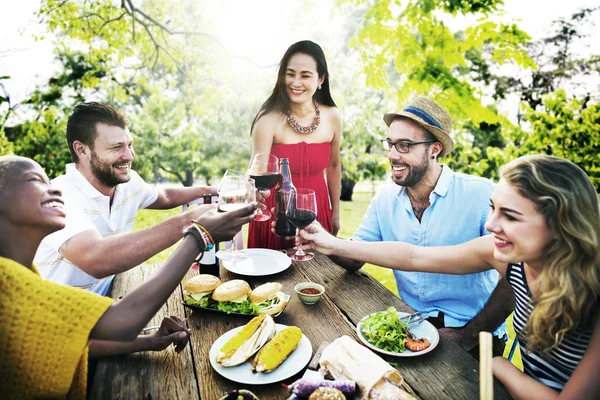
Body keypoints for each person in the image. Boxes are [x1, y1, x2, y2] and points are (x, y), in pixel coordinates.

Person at [299, 154, 600, 399]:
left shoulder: (593, 292)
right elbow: (414, 256)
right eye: (493, 209)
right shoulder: (513, 261)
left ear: (561, 225)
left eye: (510, 216)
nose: (492, 224)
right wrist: (330, 242)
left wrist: (498, 365)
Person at [0, 155, 256, 398]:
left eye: (48, 181)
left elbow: (70, 343)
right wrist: (199, 237)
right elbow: (124, 319)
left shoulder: (23, 277)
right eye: (35, 181)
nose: (54, 190)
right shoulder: (7, 285)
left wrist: (148, 341)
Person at [321, 96, 512, 354]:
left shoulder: (481, 196)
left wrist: (469, 335)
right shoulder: (384, 200)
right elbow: (354, 256)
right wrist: (321, 238)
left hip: (477, 333)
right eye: (390, 144)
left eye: (405, 146)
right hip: (414, 326)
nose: (391, 155)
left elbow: (516, 276)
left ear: (434, 149)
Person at [34, 102, 219, 296]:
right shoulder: (57, 195)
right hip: (55, 318)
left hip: (107, 306)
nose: (129, 156)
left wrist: (210, 191)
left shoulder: (128, 184)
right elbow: (96, 259)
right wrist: (191, 222)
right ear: (81, 150)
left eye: (129, 145)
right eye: (116, 147)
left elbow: (164, 196)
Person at [247, 40, 342, 250]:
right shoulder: (268, 120)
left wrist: (335, 212)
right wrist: (254, 194)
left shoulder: (333, 116)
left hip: (317, 211)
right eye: (290, 74)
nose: (296, 82)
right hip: (276, 215)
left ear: (321, 79)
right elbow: (256, 173)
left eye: (305, 75)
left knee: (319, 277)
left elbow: (334, 166)